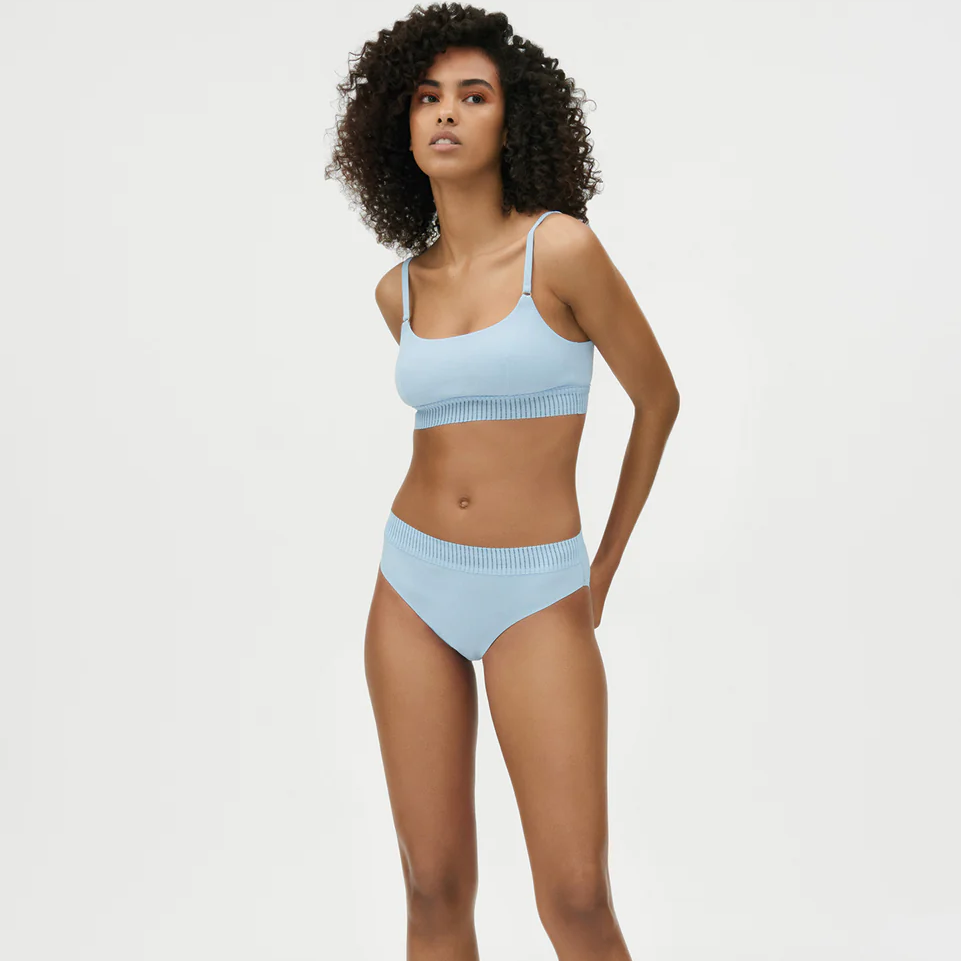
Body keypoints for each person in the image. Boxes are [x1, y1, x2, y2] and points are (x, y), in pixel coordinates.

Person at [325, 4, 680, 958]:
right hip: (411, 585)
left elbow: (657, 400)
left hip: (537, 590)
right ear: (398, 126)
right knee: (431, 886)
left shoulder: (559, 250)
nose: (445, 112)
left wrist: (600, 569)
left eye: (472, 96)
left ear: (511, 119)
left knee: (576, 897)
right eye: (426, 97)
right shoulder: (398, 290)